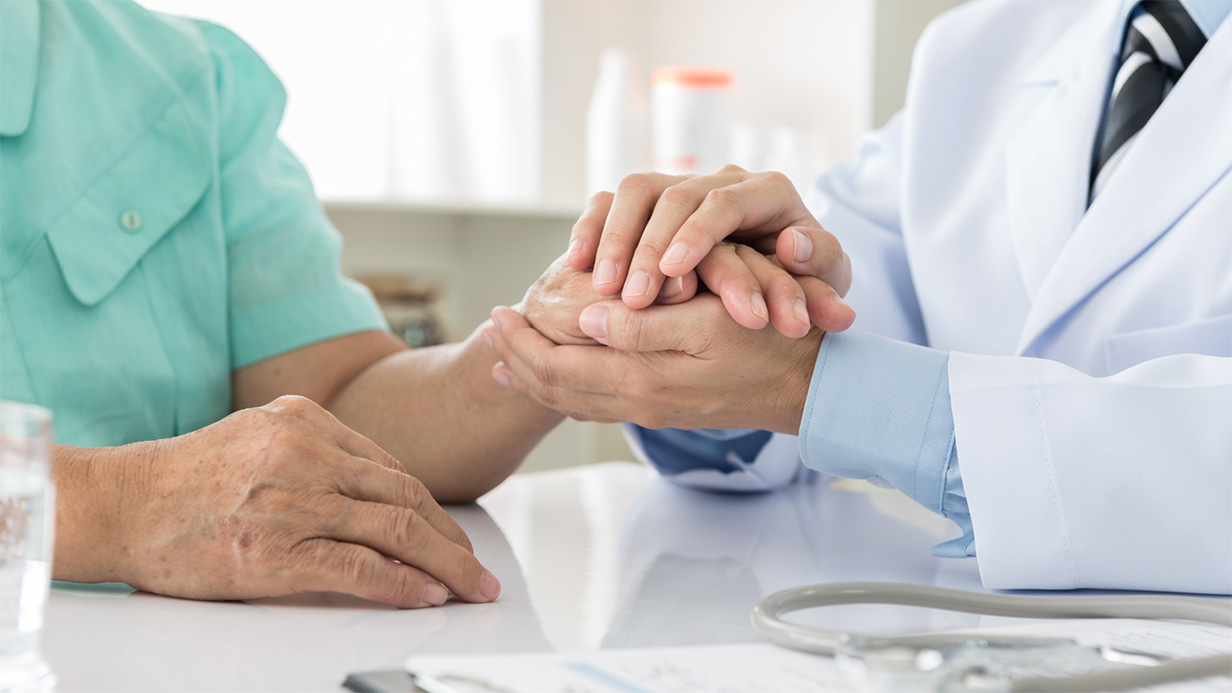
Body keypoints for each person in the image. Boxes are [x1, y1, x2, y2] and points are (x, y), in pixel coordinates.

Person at [0, 1, 850, 607]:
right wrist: (118, 506)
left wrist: (546, 339)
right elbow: (149, 501)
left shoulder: (186, 80)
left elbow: (337, 404)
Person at [487, 0, 1232, 594]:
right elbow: (841, 297)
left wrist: (812, 385)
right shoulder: (978, 47)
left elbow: (822, 377)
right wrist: (705, 301)